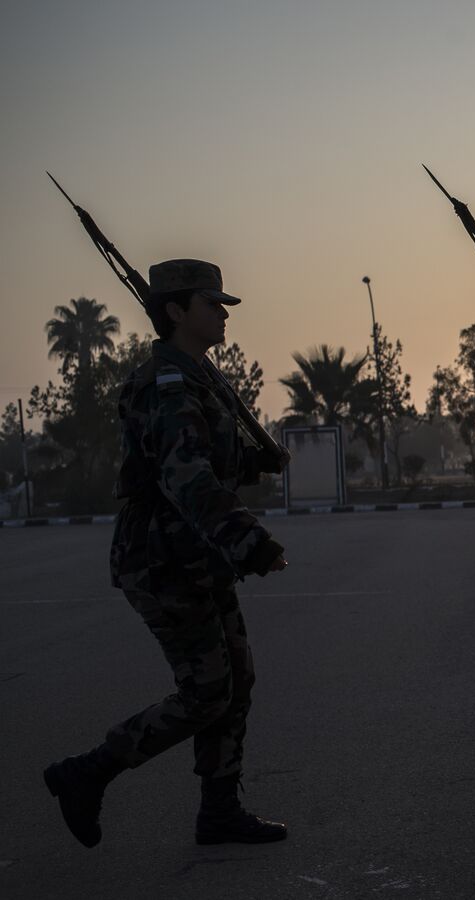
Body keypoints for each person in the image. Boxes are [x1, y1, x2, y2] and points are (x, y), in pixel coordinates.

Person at [44, 259, 290, 848]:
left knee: (236, 679)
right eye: (211, 304)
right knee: (206, 692)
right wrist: (248, 540)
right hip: (163, 559)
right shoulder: (166, 383)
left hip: (196, 556)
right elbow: (185, 477)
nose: (223, 315)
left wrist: (253, 461)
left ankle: (220, 810)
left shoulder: (199, 377)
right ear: (176, 311)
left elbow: (203, 458)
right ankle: (89, 771)